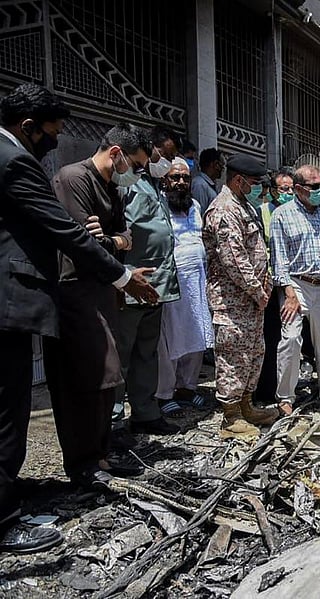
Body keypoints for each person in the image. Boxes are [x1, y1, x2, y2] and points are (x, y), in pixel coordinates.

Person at [0, 84, 155, 554]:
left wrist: (112, 244)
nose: (54, 141)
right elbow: (64, 229)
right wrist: (123, 275)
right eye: (52, 133)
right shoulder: (15, 162)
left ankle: (7, 490)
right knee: (9, 410)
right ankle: (5, 521)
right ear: (28, 127)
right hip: (14, 300)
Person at [48, 123, 160, 489]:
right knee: (87, 378)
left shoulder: (112, 188)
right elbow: (82, 243)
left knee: (108, 376)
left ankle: (100, 455)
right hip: (75, 291)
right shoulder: (73, 179)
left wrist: (113, 241)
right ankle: (82, 464)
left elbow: (122, 237)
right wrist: (116, 247)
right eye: (136, 165)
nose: (137, 174)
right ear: (116, 154)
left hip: (102, 289)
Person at [203, 153, 279, 439]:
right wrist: (258, 290)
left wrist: (265, 284)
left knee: (252, 354)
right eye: (255, 182)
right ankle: (230, 417)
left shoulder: (243, 205)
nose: (259, 187)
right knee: (233, 355)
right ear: (238, 180)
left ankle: (246, 405)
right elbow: (233, 259)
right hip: (232, 300)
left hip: (250, 301)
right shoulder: (223, 210)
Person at [112, 127, 181, 434]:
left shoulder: (155, 185)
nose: (167, 161)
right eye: (164, 155)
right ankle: (112, 422)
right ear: (150, 150)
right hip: (132, 284)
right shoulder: (125, 183)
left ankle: (145, 412)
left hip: (158, 286)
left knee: (146, 352)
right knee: (120, 356)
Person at [270, 165, 320, 413]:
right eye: (316, 187)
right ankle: (285, 397)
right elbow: (279, 259)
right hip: (297, 285)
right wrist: (289, 294)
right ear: (299, 189)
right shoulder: (282, 214)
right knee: (290, 339)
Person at [156, 159, 214, 412]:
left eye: (185, 178)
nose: (181, 182)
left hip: (198, 281)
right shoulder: (158, 206)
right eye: (175, 177)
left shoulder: (196, 206)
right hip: (171, 281)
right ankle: (165, 394)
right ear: (164, 181)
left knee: (197, 336)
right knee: (170, 340)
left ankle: (186, 388)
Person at [255, 167, 296, 406]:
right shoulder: (262, 213)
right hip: (268, 284)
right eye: (284, 189)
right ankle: (266, 389)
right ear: (271, 191)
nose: (288, 193)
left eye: (291, 189)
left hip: (291, 283)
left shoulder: (294, 212)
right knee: (270, 337)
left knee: (290, 337)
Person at [192, 148, 223, 214]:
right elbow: (199, 213)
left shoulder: (211, 185)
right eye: (221, 165)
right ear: (215, 164)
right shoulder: (199, 184)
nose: (222, 169)